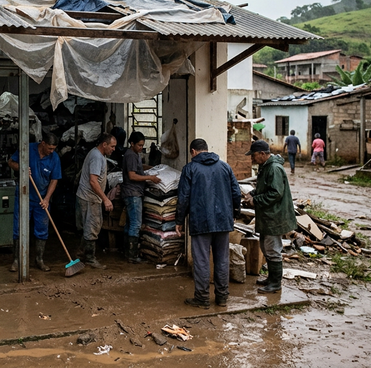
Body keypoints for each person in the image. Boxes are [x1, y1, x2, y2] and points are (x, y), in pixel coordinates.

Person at [175, 138, 241, 308]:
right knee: (222, 260)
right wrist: (235, 213)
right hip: (223, 221)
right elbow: (236, 192)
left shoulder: (190, 169)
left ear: (193, 152)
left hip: (200, 221)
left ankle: (202, 298)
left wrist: (179, 220)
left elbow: (183, 197)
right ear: (207, 149)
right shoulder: (225, 167)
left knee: (202, 261)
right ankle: (222, 298)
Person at [242, 140, 297, 293]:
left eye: (253, 156)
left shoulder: (274, 168)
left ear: (262, 154)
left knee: (273, 249)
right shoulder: (265, 167)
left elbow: (275, 193)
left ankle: (275, 283)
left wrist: (255, 200)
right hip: (268, 216)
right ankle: (271, 279)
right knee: (266, 247)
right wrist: (252, 193)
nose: (252, 159)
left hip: (275, 216)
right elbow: (264, 187)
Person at [7, 132, 62, 272]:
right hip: (23, 196)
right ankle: (16, 260)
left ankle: (39, 259)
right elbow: (10, 162)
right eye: (49, 148)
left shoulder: (54, 158)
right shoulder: (27, 149)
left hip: (41, 199)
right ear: (42, 143)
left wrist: (47, 199)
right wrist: (22, 168)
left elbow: (54, 179)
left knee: (42, 229)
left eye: (54, 148)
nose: (51, 151)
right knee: (19, 228)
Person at [76, 133, 117, 269]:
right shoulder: (97, 157)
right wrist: (105, 199)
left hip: (87, 196)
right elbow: (93, 181)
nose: (114, 149)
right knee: (92, 227)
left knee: (88, 227)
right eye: (112, 146)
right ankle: (90, 258)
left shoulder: (97, 154)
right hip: (90, 198)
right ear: (104, 145)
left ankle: (81, 254)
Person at [121, 131, 161, 263]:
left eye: (142, 145)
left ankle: (126, 252)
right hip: (133, 193)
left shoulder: (134, 154)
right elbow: (132, 175)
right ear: (132, 143)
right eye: (139, 145)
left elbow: (138, 168)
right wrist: (150, 177)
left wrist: (152, 168)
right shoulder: (131, 155)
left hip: (131, 193)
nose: (141, 148)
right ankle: (132, 256)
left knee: (130, 223)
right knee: (136, 224)